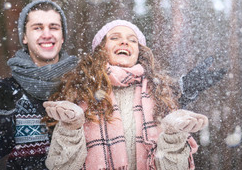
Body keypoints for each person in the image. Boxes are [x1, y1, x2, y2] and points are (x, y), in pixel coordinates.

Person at [43, 19, 209, 170]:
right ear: (100, 48)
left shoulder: (160, 94)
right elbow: (60, 166)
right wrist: (71, 128)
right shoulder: (81, 91)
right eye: (115, 37)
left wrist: (173, 135)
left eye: (132, 40)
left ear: (139, 52)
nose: (124, 42)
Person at [0, 0, 78, 169]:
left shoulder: (81, 84)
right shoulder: (7, 89)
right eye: (37, 27)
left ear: (62, 37)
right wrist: (0, 115)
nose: (47, 34)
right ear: (24, 37)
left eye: (53, 27)